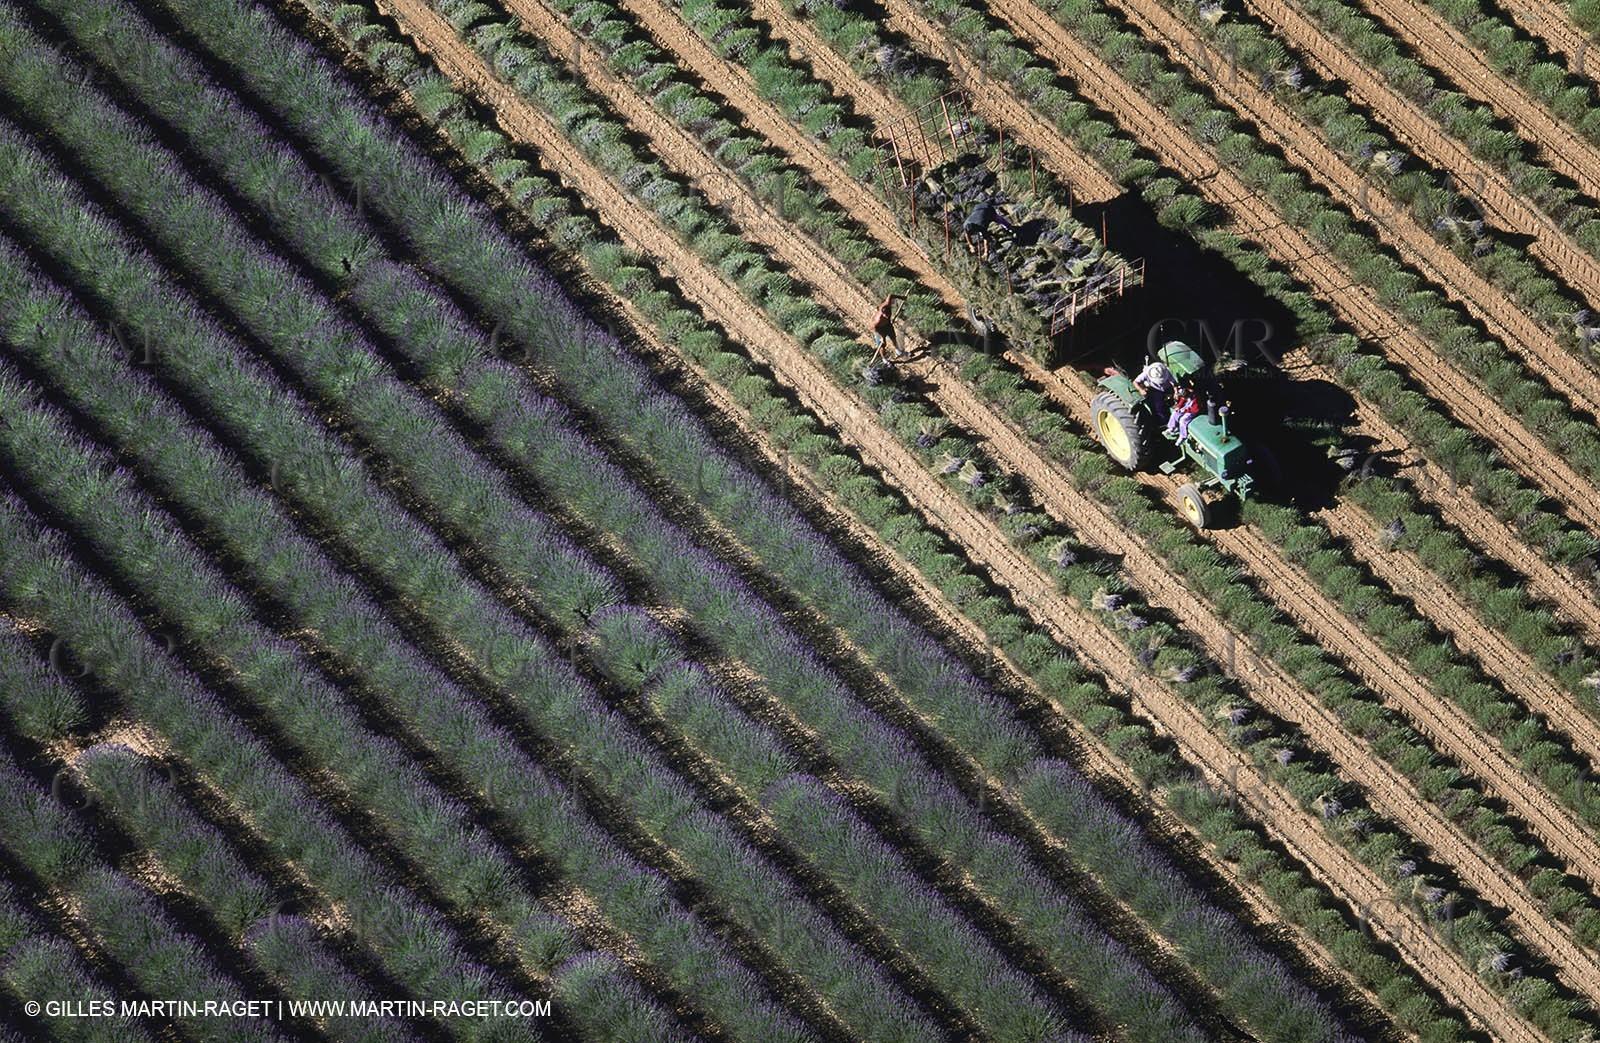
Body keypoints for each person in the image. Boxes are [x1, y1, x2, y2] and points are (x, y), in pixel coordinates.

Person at [871, 293, 906, 362]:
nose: (887, 317)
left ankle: (897, 351)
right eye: (886, 316)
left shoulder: (887, 304)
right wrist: (882, 337)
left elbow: (890, 295)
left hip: (888, 325)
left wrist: (901, 297)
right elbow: (874, 328)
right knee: (882, 345)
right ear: (882, 314)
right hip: (879, 329)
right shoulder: (877, 320)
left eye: (889, 315)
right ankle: (884, 359)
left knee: (893, 337)